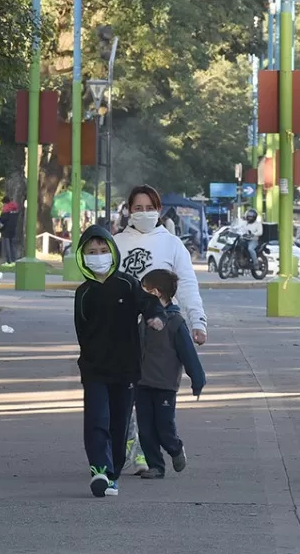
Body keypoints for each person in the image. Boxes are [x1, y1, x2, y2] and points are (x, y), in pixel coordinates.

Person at [114, 184, 207, 473]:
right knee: (124, 396)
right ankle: (135, 449)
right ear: (129, 210)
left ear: (158, 209)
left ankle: (150, 451)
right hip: (124, 331)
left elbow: (188, 285)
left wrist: (198, 321)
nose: (143, 213)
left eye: (149, 207)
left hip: (159, 331)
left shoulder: (172, 244)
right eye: (137, 208)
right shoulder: (116, 243)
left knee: (151, 398)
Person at [73, 225, 164, 498]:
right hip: (95, 370)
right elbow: (82, 331)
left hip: (125, 370)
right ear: (82, 256)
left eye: (103, 251)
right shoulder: (84, 293)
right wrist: (87, 363)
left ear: (112, 252)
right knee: (96, 420)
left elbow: (148, 302)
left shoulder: (127, 284)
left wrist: (154, 316)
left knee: (119, 423)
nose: (98, 256)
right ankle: (99, 470)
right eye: (91, 252)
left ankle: (112, 475)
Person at [135, 269, 206, 480]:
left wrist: (197, 379)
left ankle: (175, 448)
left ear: (155, 293)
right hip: (142, 382)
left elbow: (188, 354)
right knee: (145, 429)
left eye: (144, 292)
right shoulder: (143, 320)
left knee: (164, 427)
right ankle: (156, 466)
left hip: (165, 384)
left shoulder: (175, 323)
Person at [0, 197, 21, 263]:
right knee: (12, 245)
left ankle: (9, 260)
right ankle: (14, 259)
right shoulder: (15, 209)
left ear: (5, 202)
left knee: (7, 246)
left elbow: (2, 219)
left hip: (6, 230)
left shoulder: (6, 209)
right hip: (13, 229)